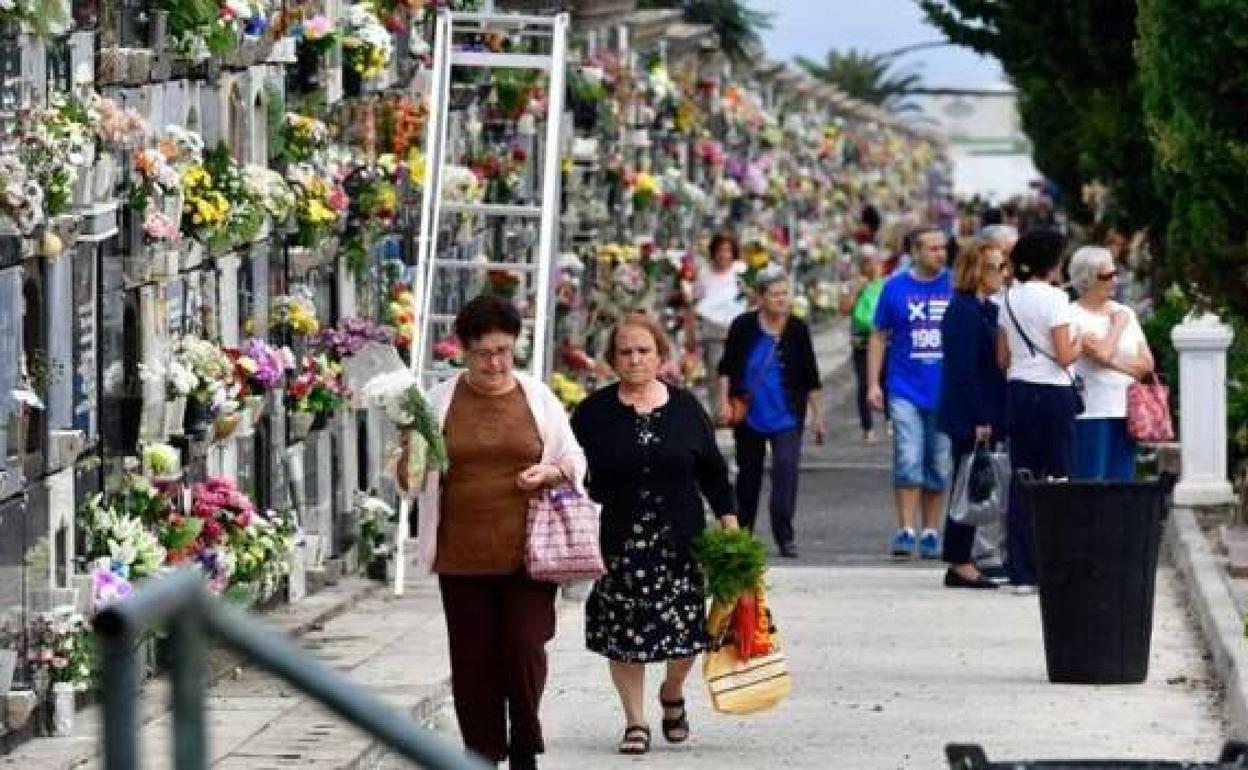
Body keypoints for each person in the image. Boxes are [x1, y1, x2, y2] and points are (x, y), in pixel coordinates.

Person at [415, 294, 587, 770]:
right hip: (461, 551)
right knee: (472, 660)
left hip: (528, 551)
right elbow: (412, 477)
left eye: (505, 351)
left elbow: (574, 458)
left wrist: (550, 473)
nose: (496, 362)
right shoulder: (439, 401)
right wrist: (408, 462)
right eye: (485, 352)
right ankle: (482, 754)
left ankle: (525, 744)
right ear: (463, 351)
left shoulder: (537, 397)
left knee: (524, 647)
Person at [571, 313, 739, 756]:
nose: (634, 359)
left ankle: (672, 691)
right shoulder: (593, 413)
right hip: (620, 542)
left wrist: (729, 522)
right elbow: (572, 470)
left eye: (644, 351)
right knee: (624, 635)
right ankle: (635, 720)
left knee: (686, 633)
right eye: (625, 352)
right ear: (611, 360)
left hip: (679, 541)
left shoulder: (685, 409)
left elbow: (714, 473)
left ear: (661, 356)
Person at [717, 264, 825, 558]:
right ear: (761, 298)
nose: (781, 300)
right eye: (775, 295)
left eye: (784, 294)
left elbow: (811, 376)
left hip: (787, 414)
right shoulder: (743, 326)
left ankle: (784, 535)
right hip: (750, 413)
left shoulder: (797, 329)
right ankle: (743, 535)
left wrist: (818, 417)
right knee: (748, 477)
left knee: (786, 473)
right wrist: (723, 402)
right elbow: (726, 368)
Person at [999, 229, 1082, 593]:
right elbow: (1065, 355)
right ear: (1054, 263)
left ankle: (1022, 572)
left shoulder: (1008, 299)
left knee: (1023, 479)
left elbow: (1001, 357)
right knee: (1060, 478)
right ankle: (1058, 566)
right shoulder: (1057, 300)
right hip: (1053, 393)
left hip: (1019, 390)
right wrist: (1083, 342)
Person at [868, 226, 954, 560]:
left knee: (938, 460)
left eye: (943, 248)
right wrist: (874, 383)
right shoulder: (895, 288)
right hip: (904, 386)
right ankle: (906, 528)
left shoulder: (954, 286)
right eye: (932, 248)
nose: (940, 254)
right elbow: (878, 335)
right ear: (915, 252)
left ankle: (932, 530)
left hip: (944, 388)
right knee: (907, 456)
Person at [937, 241, 1009, 590]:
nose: (1002, 274)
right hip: (969, 412)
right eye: (996, 267)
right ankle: (959, 560)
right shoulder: (963, 311)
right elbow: (964, 371)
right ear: (977, 271)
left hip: (983, 408)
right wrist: (980, 417)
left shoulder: (984, 309)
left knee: (972, 484)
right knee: (967, 484)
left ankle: (962, 556)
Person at [1068, 246, 1155, 480]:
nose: (1115, 280)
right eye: (1107, 276)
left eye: (1115, 274)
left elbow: (1146, 365)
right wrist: (1116, 327)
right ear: (1086, 280)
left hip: (1127, 410)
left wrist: (1107, 358)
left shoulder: (1125, 312)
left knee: (1122, 483)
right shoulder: (1072, 316)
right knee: (1090, 482)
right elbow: (1104, 355)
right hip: (1091, 411)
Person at [686, 231, 745, 411]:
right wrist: (690, 330)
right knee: (716, 371)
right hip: (713, 329)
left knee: (740, 371)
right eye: (720, 250)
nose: (724, 255)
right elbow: (694, 301)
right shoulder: (704, 274)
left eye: (728, 250)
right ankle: (719, 410)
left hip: (738, 328)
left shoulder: (741, 272)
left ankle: (738, 409)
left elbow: (752, 296)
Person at [840, 245, 885, 443]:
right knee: (864, 384)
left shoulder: (887, 283)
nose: (869, 266)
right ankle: (868, 427)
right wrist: (856, 291)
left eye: (872, 261)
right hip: (861, 341)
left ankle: (891, 419)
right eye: (865, 262)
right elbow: (844, 309)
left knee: (888, 379)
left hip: (886, 340)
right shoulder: (851, 284)